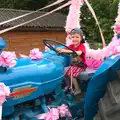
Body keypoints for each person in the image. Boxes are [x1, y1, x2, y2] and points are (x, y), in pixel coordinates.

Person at [57, 28, 87, 95]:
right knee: (64, 73)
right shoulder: (71, 46)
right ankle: (68, 85)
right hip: (73, 65)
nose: (75, 39)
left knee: (71, 74)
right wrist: (59, 50)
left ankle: (77, 89)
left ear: (81, 38)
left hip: (81, 66)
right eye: (73, 37)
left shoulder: (82, 46)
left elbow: (79, 53)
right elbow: (64, 49)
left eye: (77, 37)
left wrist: (65, 51)